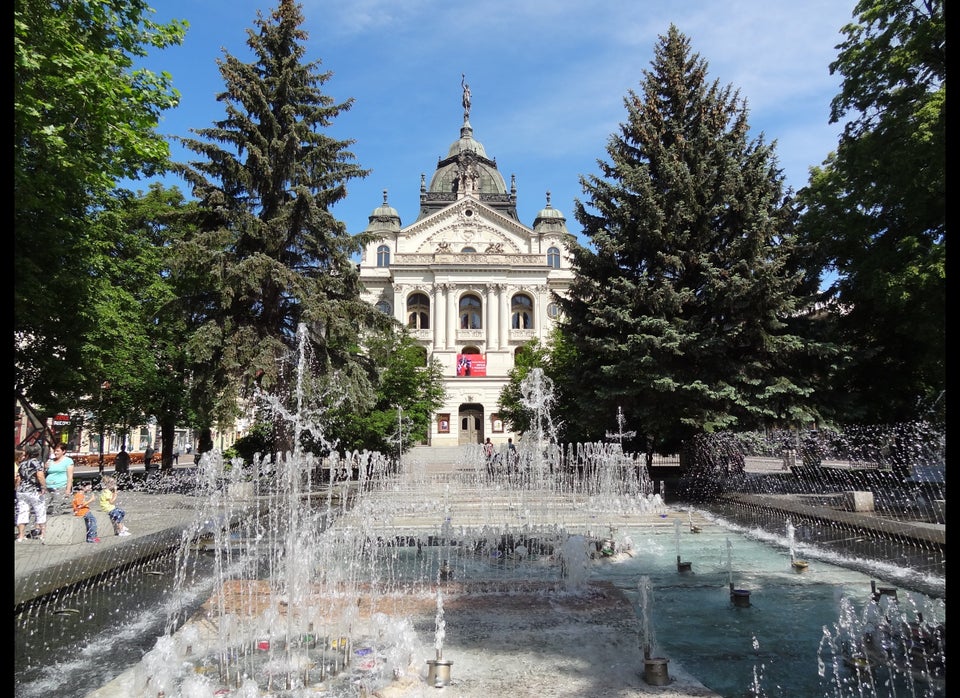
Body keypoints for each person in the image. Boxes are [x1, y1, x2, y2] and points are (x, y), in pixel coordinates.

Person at [15, 443, 47, 543]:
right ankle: (42, 534)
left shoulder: (22, 464)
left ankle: (21, 536)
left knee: (22, 512)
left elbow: (19, 478)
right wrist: (43, 487)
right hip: (34, 491)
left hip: (22, 491)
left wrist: (17, 489)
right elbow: (40, 475)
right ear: (37, 453)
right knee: (40, 510)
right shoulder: (37, 463)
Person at [45, 443, 74, 516]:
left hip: (60, 487)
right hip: (48, 487)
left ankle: (56, 524)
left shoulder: (68, 461)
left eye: (57, 451)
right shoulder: (50, 461)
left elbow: (70, 476)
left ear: (63, 451)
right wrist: (45, 467)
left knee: (56, 508)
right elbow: (45, 473)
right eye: (55, 451)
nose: (55, 452)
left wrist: (68, 489)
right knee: (44, 507)